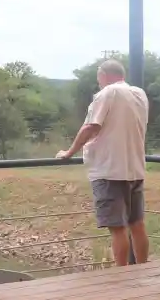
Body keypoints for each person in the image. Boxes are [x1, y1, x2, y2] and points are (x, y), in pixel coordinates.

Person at [56, 59, 150, 267]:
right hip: (135, 169)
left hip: (109, 170)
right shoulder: (139, 94)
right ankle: (144, 270)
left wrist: (69, 152)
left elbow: (91, 127)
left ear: (103, 75)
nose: (98, 82)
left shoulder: (108, 93)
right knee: (137, 225)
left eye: (99, 77)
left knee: (118, 229)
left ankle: (121, 277)